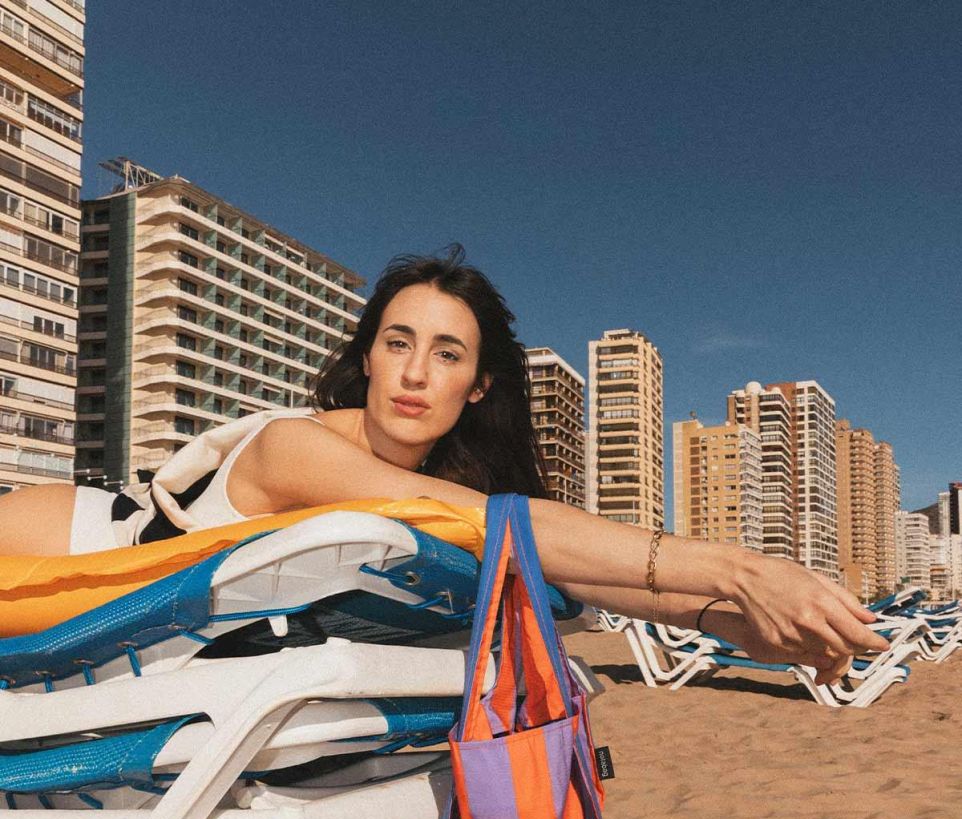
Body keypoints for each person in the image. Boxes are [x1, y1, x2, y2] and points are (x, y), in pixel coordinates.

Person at [0, 246, 883, 682]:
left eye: (447, 354)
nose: (416, 373)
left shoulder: (445, 495)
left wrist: (731, 622)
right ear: (369, 357)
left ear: (478, 385)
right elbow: (500, 527)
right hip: (49, 554)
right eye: (398, 343)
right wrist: (741, 570)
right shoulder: (295, 450)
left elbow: (565, 563)